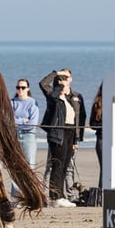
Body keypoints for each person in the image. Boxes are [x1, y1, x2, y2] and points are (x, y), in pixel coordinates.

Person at [39, 69, 86, 208]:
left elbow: (80, 118)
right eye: (61, 79)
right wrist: (56, 75)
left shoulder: (74, 97)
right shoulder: (54, 96)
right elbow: (43, 84)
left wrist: (77, 139)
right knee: (57, 165)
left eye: (66, 78)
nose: (64, 81)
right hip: (58, 133)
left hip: (70, 133)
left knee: (65, 165)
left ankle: (61, 195)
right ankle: (55, 196)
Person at [10, 78, 39, 198]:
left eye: (23, 88)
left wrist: (18, 122)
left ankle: (29, 194)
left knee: (29, 165)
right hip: (14, 136)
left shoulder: (32, 102)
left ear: (28, 88)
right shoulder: (11, 102)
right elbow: (8, 119)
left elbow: (33, 122)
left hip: (29, 136)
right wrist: (22, 120)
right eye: (18, 88)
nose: (20, 90)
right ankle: (16, 196)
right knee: (14, 165)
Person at [89, 83, 103, 190]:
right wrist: (104, 125)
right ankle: (102, 192)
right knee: (104, 167)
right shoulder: (97, 104)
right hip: (101, 138)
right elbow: (92, 124)